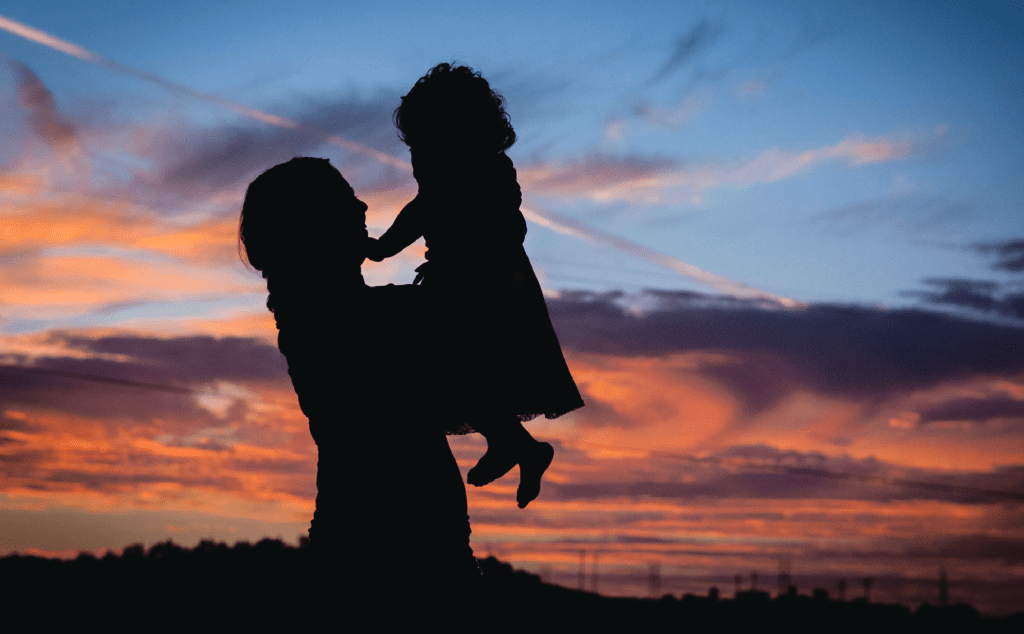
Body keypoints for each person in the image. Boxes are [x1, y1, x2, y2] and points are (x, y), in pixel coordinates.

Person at [238, 157, 480, 611]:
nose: (362, 206)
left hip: (402, 551)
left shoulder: (334, 312)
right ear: (314, 225)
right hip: (383, 559)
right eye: (346, 200)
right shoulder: (328, 319)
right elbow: (453, 305)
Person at [365, 63, 584, 509]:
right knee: (462, 369)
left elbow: (434, 208)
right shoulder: (479, 161)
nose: (417, 154)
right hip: (474, 275)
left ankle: (518, 446)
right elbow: (427, 205)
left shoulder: (476, 164)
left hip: (483, 279)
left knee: (455, 364)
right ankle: (518, 446)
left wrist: (387, 246)